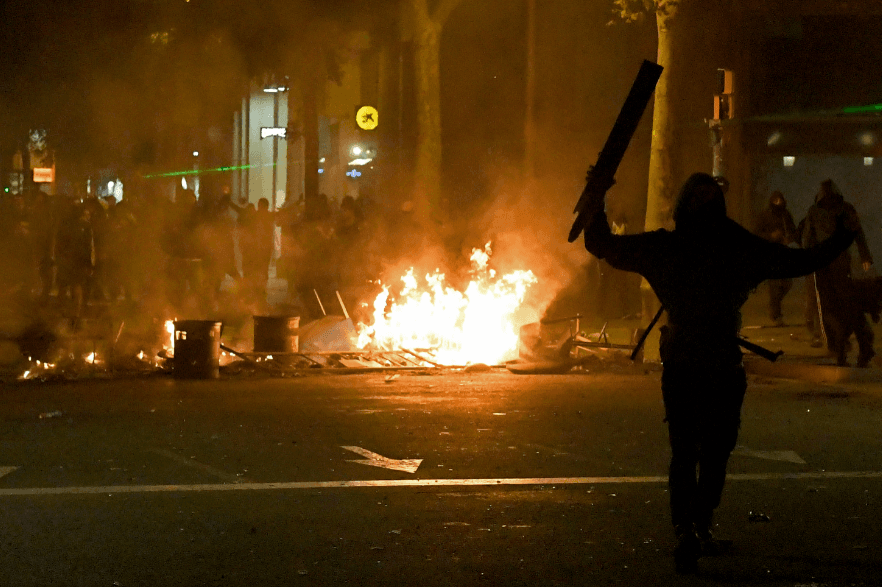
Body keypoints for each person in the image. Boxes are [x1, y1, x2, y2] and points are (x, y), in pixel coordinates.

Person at [581, 172, 855, 573]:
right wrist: (596, 197)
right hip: (699, 361)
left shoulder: (699, 246)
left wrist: (595, 198)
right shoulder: (697, 247)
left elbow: (799, 261)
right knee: (696, 451)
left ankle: (694, 527)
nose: (705, 204)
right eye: (701, 197)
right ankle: (689, 529)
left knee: (708, 451)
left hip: (708, 361)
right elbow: (603, 244)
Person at [801, 179, 875, 367]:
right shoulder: (826, 210)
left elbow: (809, 238)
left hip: (832, 264)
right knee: (836, 306)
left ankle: (842, 346)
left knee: (835, 307)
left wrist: (865, 255)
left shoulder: (824, 210)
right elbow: (809, 238)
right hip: (829, 264)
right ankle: (844, 346)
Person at [754, 191, 798, 326]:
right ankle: (776, 315)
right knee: (774, 285)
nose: (778, 204)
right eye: (776, 201)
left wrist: (788, 238)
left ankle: (774, 306)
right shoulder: (764, 215)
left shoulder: (786, 215)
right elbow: (757, 234)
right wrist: (771, 236)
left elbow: (792, 231)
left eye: (780, 201)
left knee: (786, 283)